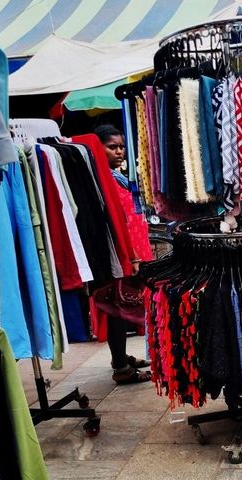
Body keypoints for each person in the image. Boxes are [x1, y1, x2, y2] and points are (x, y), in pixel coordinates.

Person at [94, 124, 152, 385]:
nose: (119, 152)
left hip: (134, 251)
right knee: (117, 309)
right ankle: (121, 367)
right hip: (122, 255)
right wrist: (131, 255)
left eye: (120, 147)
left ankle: (121, 356)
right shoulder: (100, 179)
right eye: (112, 147)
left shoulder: (116, 177)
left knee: (124, 306)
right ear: (99, 148)